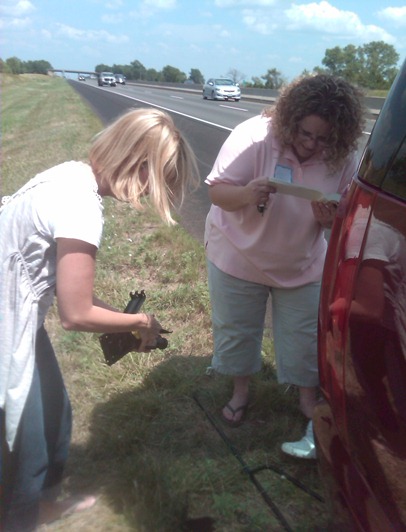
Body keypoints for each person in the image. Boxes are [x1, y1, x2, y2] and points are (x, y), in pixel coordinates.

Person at [0, 107, 199, 531]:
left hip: (16, 314)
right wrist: (139, 323)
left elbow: (72, 289)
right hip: (7, 323)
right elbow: (75, 315)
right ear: (140, 165)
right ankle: (18, 518)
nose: (152, 191)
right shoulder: (80, 206)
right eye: (158, 179)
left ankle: (41, 507)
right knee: (26, 445)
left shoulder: (71, 175)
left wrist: (125, 319)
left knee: (54, 416)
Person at [204, 74, 364, 458]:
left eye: (324, 138)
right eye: (305, 133)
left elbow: (346, 215)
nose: (311, 144)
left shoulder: (343, 157)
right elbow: (217, 192)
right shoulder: (253, 136)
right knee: (238, 328)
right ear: (290, 119)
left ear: (339, 135)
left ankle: (307, 398)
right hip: (238, 253)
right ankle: (241, 391)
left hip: (301, 262)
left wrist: (330, 220)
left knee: (304, 336)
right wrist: (247, 194)